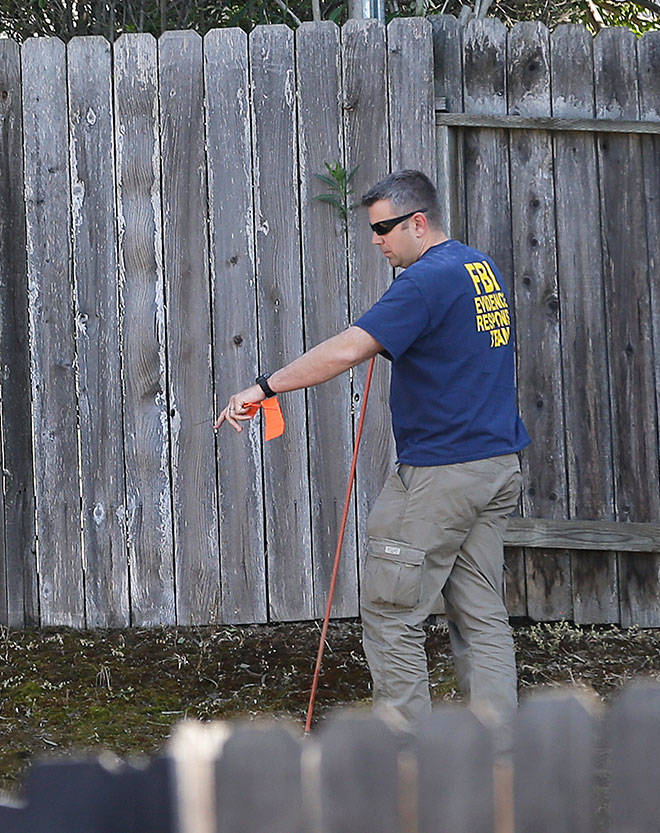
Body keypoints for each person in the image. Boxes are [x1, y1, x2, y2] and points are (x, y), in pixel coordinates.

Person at [215, 170, 530, 730]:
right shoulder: (478, 268)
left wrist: (262, 388)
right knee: (480, 614)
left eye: (383, 228)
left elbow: (348, 350)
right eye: (372, 230)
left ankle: (404, 763)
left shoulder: (425, 280)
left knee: (390, 613)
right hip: (496, 466)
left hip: (440, 475)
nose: (376, 240)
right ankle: (496, 757)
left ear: (417, 222)